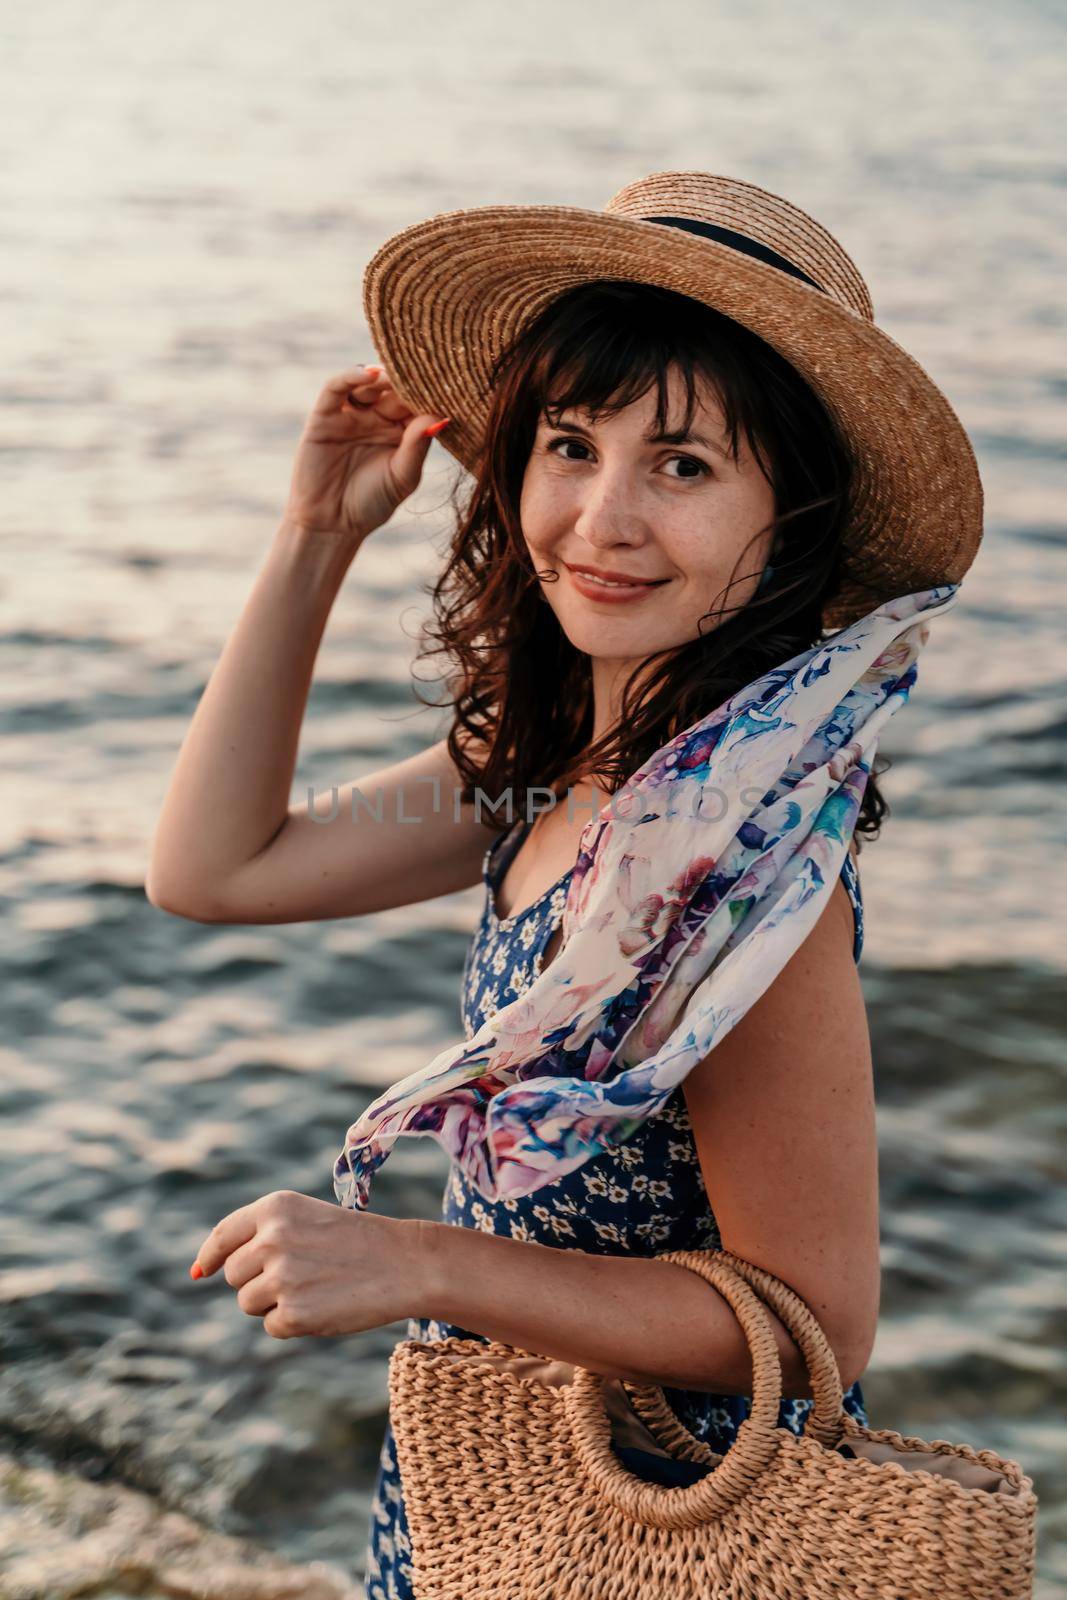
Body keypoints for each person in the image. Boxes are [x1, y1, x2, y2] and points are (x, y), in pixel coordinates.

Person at [148, 172, 982, 1600]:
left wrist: (419, 1260)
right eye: (568, 445)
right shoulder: (534, 768)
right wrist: (316, 536)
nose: (601, 519)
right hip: (495, 1484)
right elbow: (216, 869)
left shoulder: (742, 874)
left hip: (657, 1527)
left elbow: (818, 1327)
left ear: (791, 519)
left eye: (684, 466)